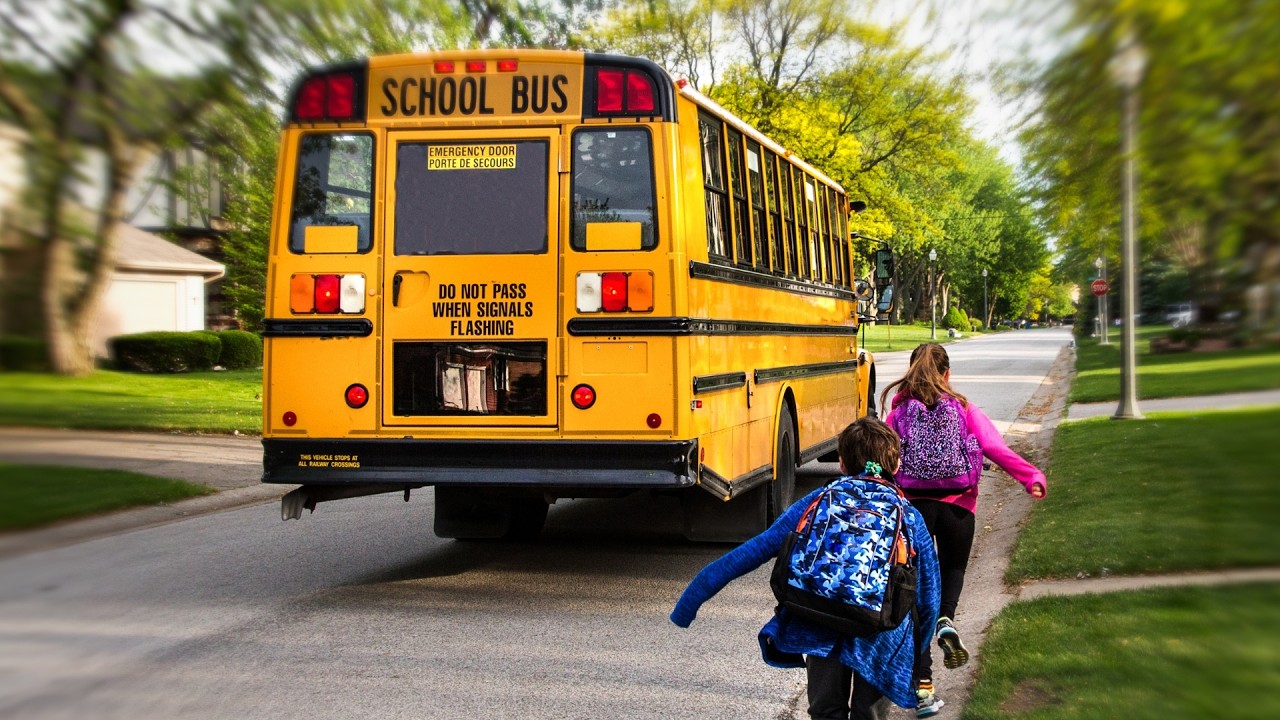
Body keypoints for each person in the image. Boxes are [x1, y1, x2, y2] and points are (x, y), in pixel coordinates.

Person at [670, 416, 941, 720]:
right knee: (870, 715)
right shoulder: (909, 516)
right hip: (879, 633)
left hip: (819, 620)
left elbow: (756, 549)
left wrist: (691, 599)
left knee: (825, 711)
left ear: (842, 464)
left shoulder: (818, 500)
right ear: (896, 464)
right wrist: (918, 654)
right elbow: (929, 599)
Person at [880, 342, 1047, 717]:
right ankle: (947, 620)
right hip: (959, 509)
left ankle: (923, 690)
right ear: (947, 375)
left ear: (911, 373)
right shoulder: (966, 409)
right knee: (952, 571)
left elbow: (881, 462)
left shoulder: (897, 414)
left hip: (914, 512)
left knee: (914, 600)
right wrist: (1030, 476)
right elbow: (995, 448)